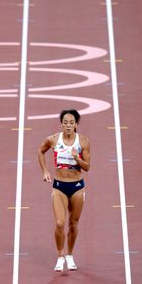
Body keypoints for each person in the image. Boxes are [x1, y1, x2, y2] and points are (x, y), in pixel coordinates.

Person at [37, 109, 91, 272]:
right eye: (65, 122)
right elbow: (40, 151)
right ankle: (60, 256)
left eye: (71, 123)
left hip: (76, 187)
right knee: (60, 223)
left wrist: (77, 158)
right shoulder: (53, 139)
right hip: (59, 186)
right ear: (61, 124)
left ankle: (70, 255)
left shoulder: (83, 141)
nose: (68, 125)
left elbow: (87, 167)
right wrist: (45, 171)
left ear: (76, 124)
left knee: (73, 224)